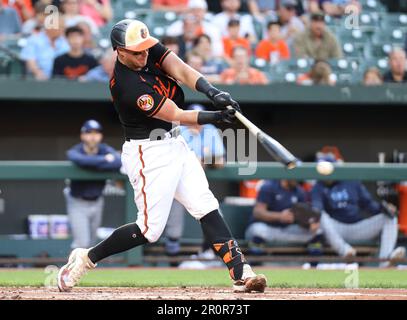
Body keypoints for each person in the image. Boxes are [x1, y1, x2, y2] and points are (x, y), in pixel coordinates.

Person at [57, 19, 267, 293]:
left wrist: (212, 91)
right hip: (148, 152)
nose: (145, 54)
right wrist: (215, 116)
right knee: (149, 229)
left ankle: (241, 272)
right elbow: (175, 114)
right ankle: (85, 258)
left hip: (175, 143)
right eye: (137, 52)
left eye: (146, 49)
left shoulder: (145, 47)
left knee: (205, 205)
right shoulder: (126, 85)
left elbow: (178, 68)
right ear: (119, 51)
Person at [311, 152, 406, 267]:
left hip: (358, 228)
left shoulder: (351, 181)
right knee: (321, 216)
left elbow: (369, 205)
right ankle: (346, 252)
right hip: (336, 230)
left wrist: (384, 208)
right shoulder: (318, 186)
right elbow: (317, 207)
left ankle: (385, 262)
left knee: (389, 218)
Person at [164, 103, 226, 266]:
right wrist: (193, 159)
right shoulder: (178, 131)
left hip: (199, 184)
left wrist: (203, 159)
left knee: (213, 215)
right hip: (177, 182)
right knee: (172, 225)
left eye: (198, 118)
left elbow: (220, 162)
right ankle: (172, 265)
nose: (196, 122)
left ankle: (208, 253)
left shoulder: (210, 130)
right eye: (192, 118)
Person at [64, 120, 121, 249]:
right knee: (82, 243)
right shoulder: (77, 150)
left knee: (92, 244)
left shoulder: (104, 148)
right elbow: (79, 159)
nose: (93, 136)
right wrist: (103, 160)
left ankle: (82, 268)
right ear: (82, 135)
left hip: (97, 201)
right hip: (77, 201)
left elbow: (118, 161)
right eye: (89, 132)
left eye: (96, 133)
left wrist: (95, 162)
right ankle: (71, 269)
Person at [245, 180, 321, 251]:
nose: (298, 179)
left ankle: (313, 265)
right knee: (258, 230)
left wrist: (310, 224)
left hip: (287, 229)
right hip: (267, 228)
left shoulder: (299, 191)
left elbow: (304, 217)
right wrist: (280, 216)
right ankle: (256, 262)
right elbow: (258, 212)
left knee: (316, 232)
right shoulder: (269, 186)